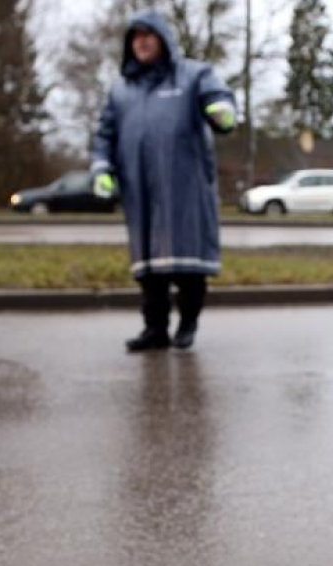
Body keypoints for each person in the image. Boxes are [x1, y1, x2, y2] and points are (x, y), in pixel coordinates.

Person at [92, 11, 238, 352]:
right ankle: (154, 329)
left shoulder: (193, 75)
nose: (141, 42)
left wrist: (222, 109)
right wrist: (101, 168)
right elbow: (104, 134)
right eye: (135, 36)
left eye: (148, 35)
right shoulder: (121, 90)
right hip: (140, 190)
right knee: (149, 269)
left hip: (185, 188)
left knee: (189, 265)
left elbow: (217, 96)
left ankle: (187, 324)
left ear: (163, 39)